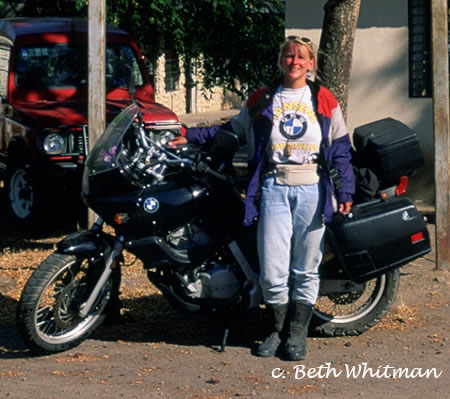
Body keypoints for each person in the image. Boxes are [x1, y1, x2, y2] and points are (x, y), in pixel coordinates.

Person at [169, 36, 354, 360]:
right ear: (281, 61)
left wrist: (345, 191)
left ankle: (296, 335)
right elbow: (231, 130)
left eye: (301, 57)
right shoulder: (262, 99)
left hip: (312, 188)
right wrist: (188, 135)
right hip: (274, 189)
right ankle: (276, 329)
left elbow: (339, 149)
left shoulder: (325, 100)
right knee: (272, 269)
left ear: (311, 63)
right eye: (289, 56)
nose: (294, 62)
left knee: (306, 268)